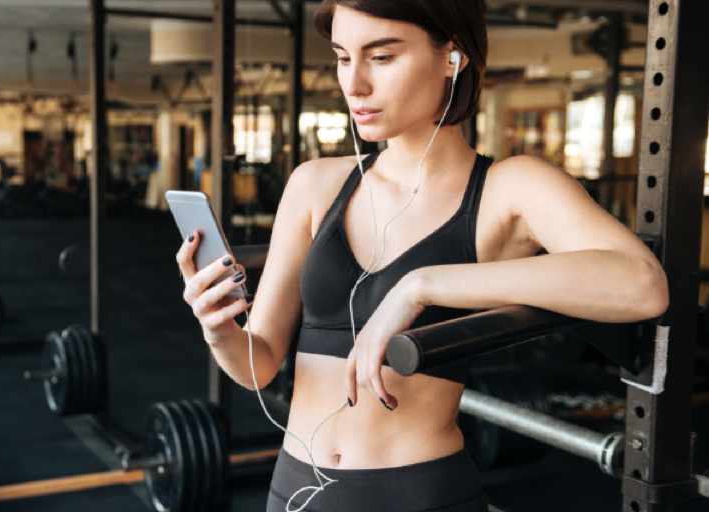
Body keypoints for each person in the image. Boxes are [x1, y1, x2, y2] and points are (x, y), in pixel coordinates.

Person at [176, 1, 668, 511]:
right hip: (294, 490)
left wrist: (421, 286)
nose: (354, 84)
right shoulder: (315, 184)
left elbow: (641, 284)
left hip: (416, 494)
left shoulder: (510, 188)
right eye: (344, 58)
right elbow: (257, 367)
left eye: (381, 57)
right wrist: (219, 329)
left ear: (452, 58)